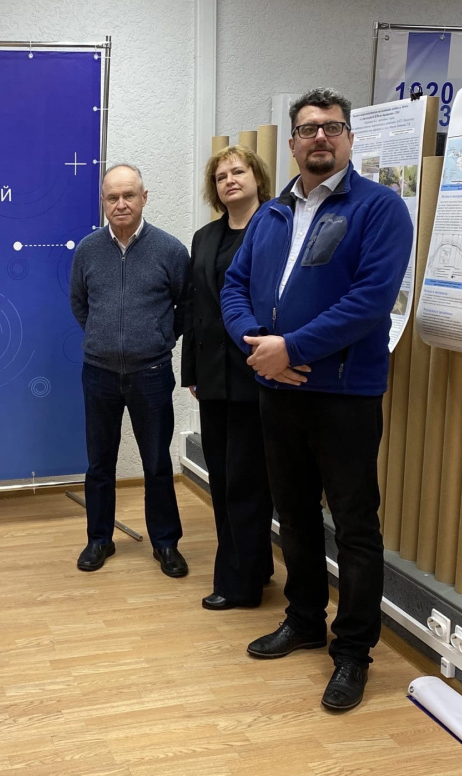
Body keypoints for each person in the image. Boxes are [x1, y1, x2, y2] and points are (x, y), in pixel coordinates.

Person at [221, 88, 413, 711]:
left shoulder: (380, 208)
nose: (320, 138)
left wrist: (292, 348)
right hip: (277, 390)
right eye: (308, 129)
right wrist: (256, 344)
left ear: (349, 138)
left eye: (332, 127)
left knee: (354, 525)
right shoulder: (274, 213)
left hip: (344, 395)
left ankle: (353, 651)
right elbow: (234, 286)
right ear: (293, 142)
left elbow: (370, 300)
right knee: (295, 513)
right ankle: (304, 619)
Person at [69, 163, 190, 577]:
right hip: (98, 373)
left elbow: (185, 305)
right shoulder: (87, 249)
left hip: (151, 373)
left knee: (156, 462)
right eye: (112, 197)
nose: (120, 204)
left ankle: (166, 543)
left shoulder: (170, 250)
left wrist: (158, 337)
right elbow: (79, 303)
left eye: (128, 195)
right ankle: (99, 539)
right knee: (99, 463)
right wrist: (103, 336)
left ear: (144, 198)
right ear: (103, 201)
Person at [181, 146, 274, 611]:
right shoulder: (205, 236)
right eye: (221, 176)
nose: (230, 180)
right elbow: (195, 308)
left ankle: (240, 584)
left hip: (257, 374)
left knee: (247, 482)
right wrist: (191, 372)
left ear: (257, 178)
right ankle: (256, 567)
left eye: (239, 171)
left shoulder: (275, 228)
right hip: (213, 379)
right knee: (222, 478)